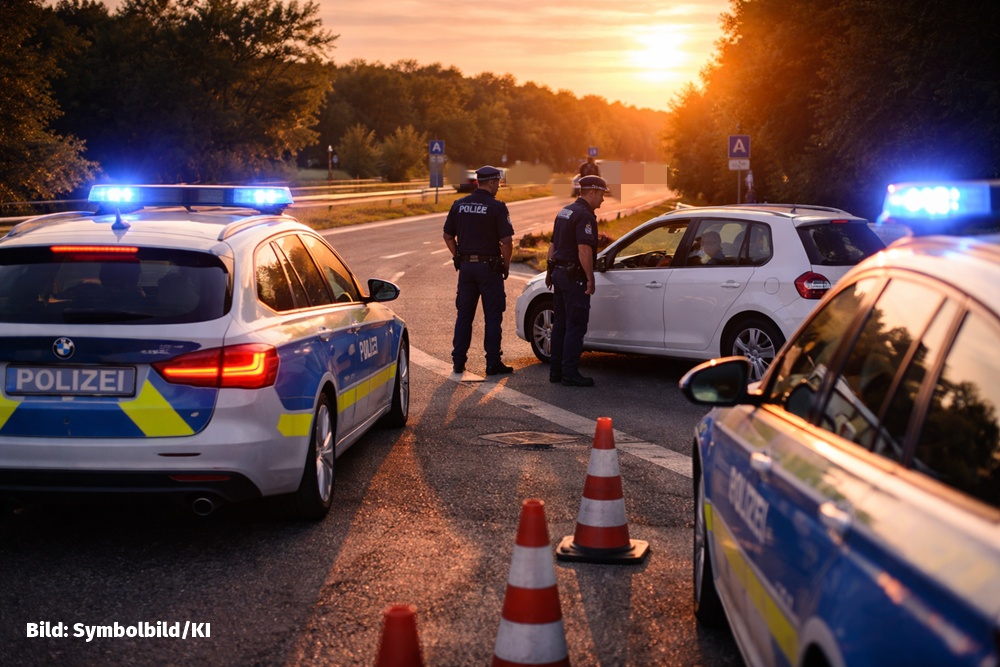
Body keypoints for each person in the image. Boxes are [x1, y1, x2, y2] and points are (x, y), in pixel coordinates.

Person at [443, 165, 514, 375]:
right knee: (493, 316)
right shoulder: (497, 207)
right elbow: (507, 242)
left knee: (464, 315)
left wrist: (457, 255)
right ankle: (492, 363)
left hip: (466, 269)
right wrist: (506, 264)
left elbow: (448, 236)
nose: (499, 186)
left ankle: (458, 361)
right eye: (498, 183)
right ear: (491, 182)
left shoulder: (459, 205)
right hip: (489, 269)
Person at [546, 174, 609, 387]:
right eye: (601, 194)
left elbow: (553, 245)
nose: (603, 199)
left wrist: (549, 270)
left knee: (561, 324)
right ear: (591, 192)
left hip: (560, 273)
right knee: (576, 325)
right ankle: (570, 373)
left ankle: (556, 371)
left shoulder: (565, 211)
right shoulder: (585, 216)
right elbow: (584, 250)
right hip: (574, 278)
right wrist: (590, 278)